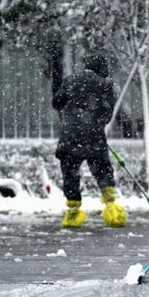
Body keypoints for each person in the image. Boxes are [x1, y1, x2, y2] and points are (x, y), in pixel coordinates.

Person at [52, 54, 127, 228]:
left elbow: (56, 102)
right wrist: (94, 122)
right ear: (102, 69)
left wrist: (73, 113)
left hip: (70, 137)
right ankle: (111, 209)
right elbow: (107, 114)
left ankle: (73, 212)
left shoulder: (70, 80)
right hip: (94, 137)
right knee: (102, 170)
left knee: (70, 173)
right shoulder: (105, 84)